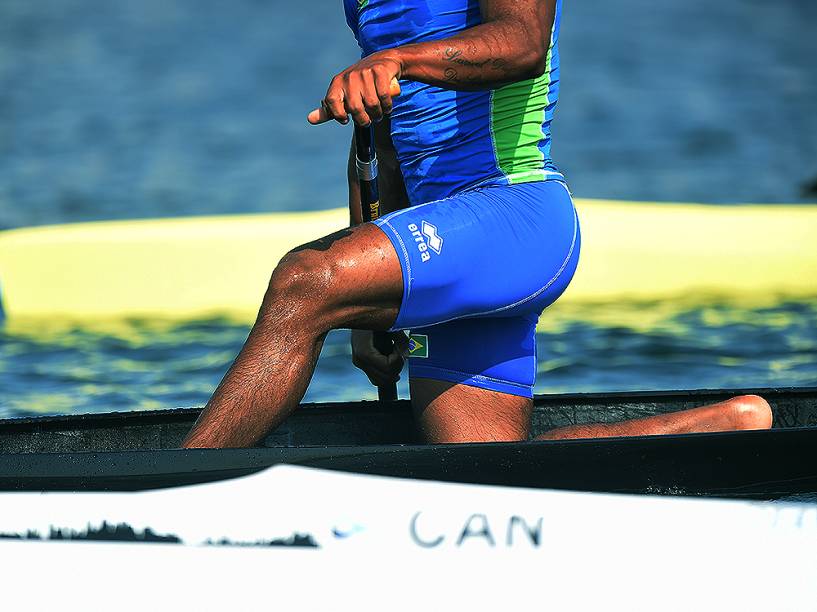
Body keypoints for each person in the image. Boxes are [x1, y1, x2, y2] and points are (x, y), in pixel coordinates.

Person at [182, 0, 770, 448]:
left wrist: (396, 59)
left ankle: (169, 499)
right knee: (481, 479)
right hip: (448, 240)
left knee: (305, 280)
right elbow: (384, 146)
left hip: (515, 216)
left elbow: (522, 42)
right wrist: (366, 321)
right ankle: (725, 430)